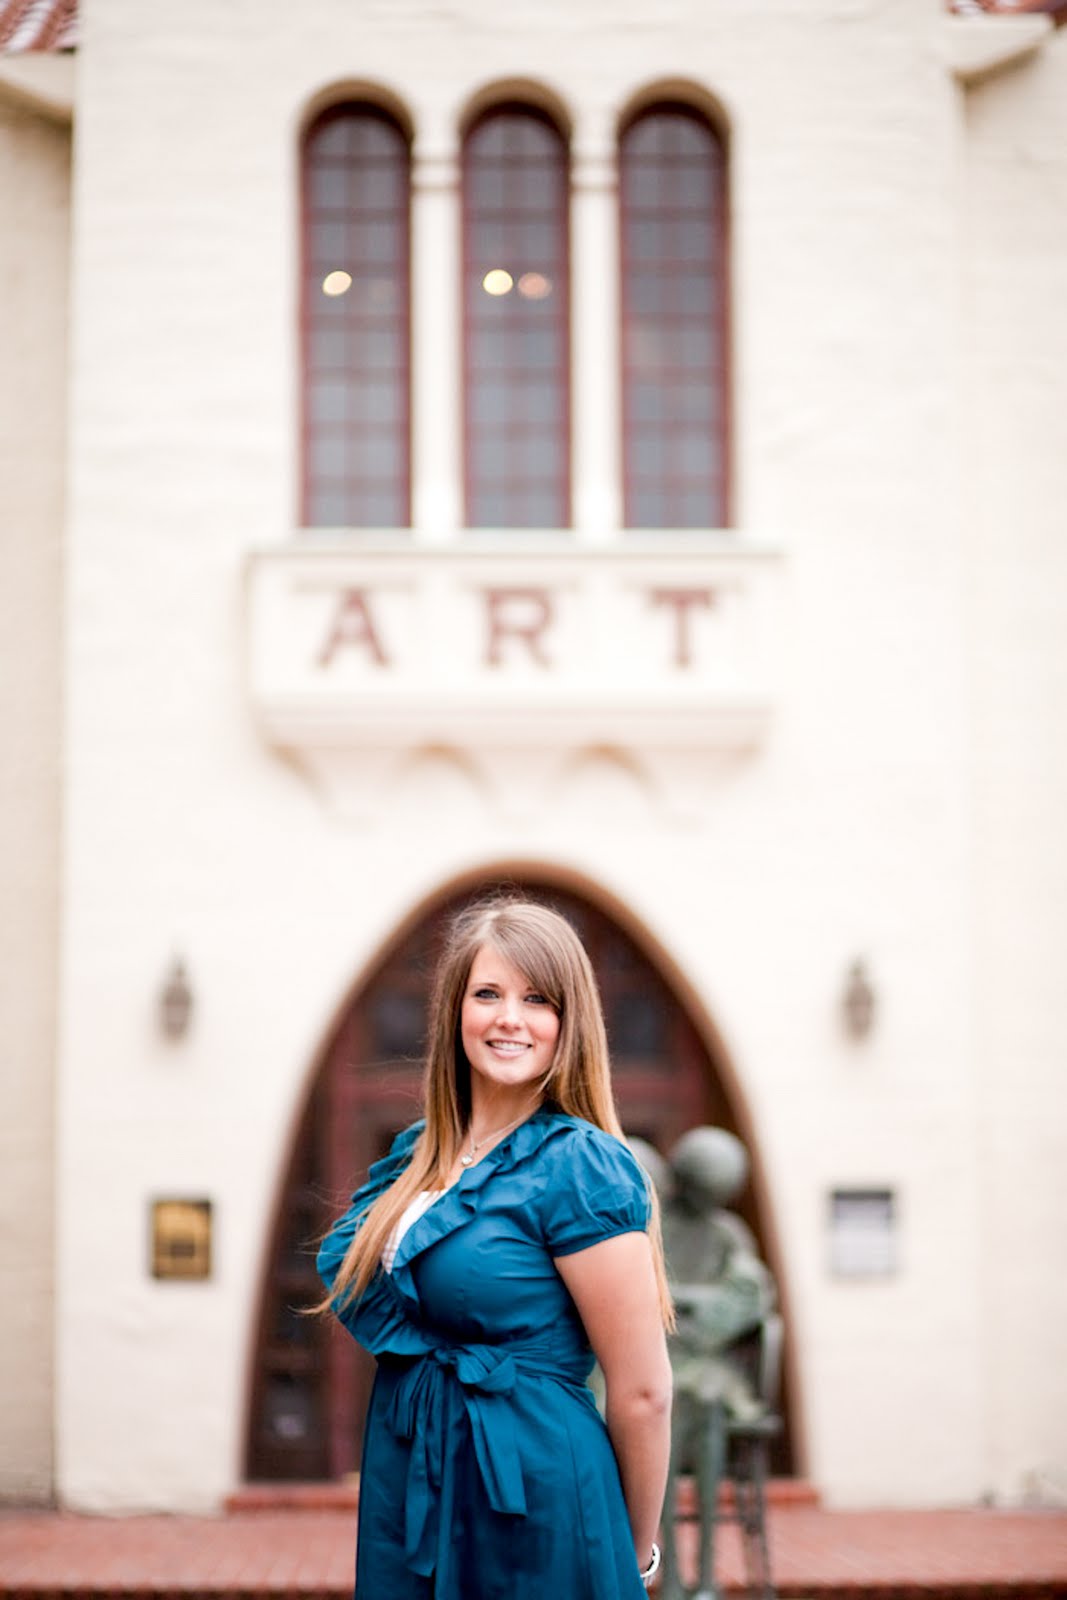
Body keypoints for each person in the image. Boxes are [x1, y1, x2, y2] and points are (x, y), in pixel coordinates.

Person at [317, 896, 674, 1599]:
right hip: (416, 1470)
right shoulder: (418, 1159)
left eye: (537, 999)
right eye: (488, 993)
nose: (510, 1017)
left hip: (533, 1496)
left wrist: (625, 1559)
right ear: (456, 1011)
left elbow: (642, 1392)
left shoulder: (579, 1165)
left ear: (567, 1025)